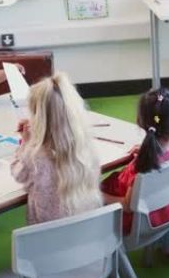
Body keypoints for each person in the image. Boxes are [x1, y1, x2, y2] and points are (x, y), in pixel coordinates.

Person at [10, 72, 102, 225]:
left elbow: (18, 174)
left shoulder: (35, 156)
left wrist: (26, 143)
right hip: (87, 235)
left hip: (48, 240)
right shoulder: (85, 146)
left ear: (38, 117)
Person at [101, 88, 169, 234]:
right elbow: (167, 149)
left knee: (79, 195)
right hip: (163, 211)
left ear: (139, 122)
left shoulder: (144, 166)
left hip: (135, 223)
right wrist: (150, 150)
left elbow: (127, 205)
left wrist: (95, 194)